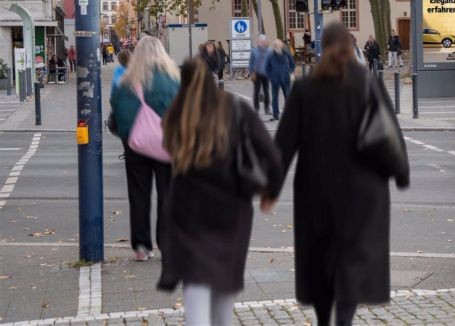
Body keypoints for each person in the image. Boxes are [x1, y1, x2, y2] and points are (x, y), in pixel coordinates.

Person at [275, 22, 410, 326]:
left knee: (322, 260)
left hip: (316, 191)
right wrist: (400, 173)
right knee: (350, 261)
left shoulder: (305, 88)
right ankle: (344, 321)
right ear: (351, 46)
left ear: (322, 47)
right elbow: (390, 134)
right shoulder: (366, 83)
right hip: (362, 192)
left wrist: (270, 187)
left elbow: (284, 143)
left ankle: (324, 320)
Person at [158, 58, 282, 326]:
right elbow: (271, 154)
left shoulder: (176, 114)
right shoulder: (234, 107)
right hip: (232, 207)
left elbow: (168, 153)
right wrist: (270, 190)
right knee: (224, 281)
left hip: (187, 207)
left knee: (196, 279)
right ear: (212, 80)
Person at [110, 36, 180, 261]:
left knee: (138, 194)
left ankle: (141, 245)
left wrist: (128, 136)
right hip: (168, 144)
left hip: (137, 145)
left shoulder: (129, 80)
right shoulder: (173, 79)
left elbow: (117, 111)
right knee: (168, 194)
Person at [265, 39, 295, 121]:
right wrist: (270, 77)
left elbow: (292, 64)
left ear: (282, 46)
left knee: (288, 96)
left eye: (279, 45)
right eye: (276, 45)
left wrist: (289, 72)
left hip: (285, 79)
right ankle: (275, 115)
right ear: (274, 46)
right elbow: (267, 68)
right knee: (275, 98)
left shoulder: (286, 54)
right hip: (275, 79)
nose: (277, 47)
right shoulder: (270, 55)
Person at [249, 35, 271, 115]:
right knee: (256, 92)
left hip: (266, 74)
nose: (262, 42)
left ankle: (267, 108)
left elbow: (271, 63)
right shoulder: (254, 51)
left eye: (264, 41)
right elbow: (250, 63)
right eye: (261, 41)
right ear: (258, 42)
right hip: (256, 74)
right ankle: (256, 108)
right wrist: (251, 73)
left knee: (266, 92)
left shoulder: (269, 51)